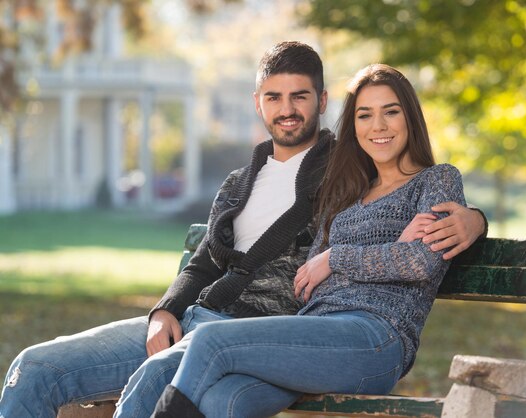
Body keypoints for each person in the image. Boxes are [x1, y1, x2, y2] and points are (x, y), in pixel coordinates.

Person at [0, 43, 484, 418]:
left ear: (322, 102)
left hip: (280, 331)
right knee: (33, 368)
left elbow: (416, 242)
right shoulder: (251, 184)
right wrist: (166, 309)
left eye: (300, 96)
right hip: (230, 323)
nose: (288, 108)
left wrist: (475, 222)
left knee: (207, 378)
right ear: (258, 103)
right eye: (274, 96)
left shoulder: (339, 171)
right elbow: (206, 260)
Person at [149, 63, 467, 418]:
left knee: (209, 342)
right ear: (354, 127)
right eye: (364, 116)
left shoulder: (437, 180)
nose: (378, 126)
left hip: (376, 336)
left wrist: (336, 259)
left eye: (390, 112)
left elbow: (420, 262)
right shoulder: (349, 194)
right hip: (314, 330)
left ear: (410, 118)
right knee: (224, 401)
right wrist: (391, 251)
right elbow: (306, 284)